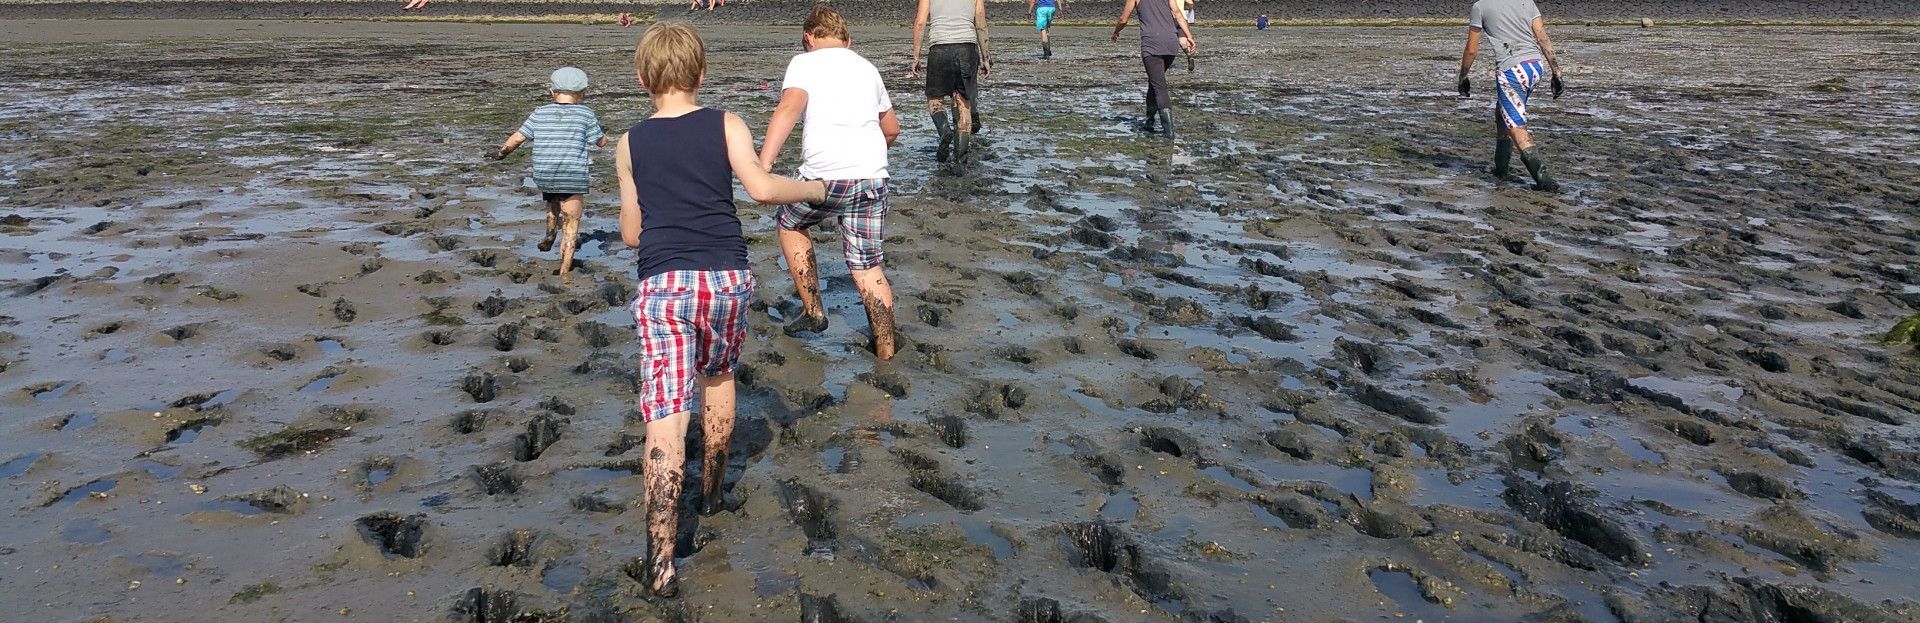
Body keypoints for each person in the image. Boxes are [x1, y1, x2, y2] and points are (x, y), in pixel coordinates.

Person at [613, 21, 828, 597]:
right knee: (719, 374)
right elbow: (758, 188)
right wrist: (812, 190)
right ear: (701, 74)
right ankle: (711, 490)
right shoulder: (727, 123)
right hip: (725, 278)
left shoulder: (629, 143)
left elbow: (632, 234)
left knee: (663, 414)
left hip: (663, 283)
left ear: (642, 80)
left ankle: (659, 561)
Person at [758, 5, 905, 360]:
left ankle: (813, 309)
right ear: (847, 40)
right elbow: (892, 129)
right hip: (871, 177)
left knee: (789, 222)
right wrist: (866, 156)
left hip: (824, 177)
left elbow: (789, 108)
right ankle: (886, 351)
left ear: (808, 37)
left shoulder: (804, 62)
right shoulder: (867, 68)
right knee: (868, 268)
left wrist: (764, 163)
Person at [489, 67, 607, 275]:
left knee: (552, 200)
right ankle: (564, 270)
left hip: (545, 173)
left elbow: (518, 137)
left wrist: (502, 153)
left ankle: (550, 234)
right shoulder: (586, 113)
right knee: (571, 225)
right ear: (583, 93)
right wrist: (602, 131)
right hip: (572, 175)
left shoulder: (539, 112)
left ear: (551, 92)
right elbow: (600, 143)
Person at [1457, 0, 1565, 191]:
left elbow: (1471, 50)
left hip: (1512, 70)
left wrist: (1463, 77)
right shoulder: (1526, 1)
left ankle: (1546, 181)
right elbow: (1542, 36)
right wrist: (1556, 72)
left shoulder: (1480, 7)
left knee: (1516, 126)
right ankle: (1501, 170)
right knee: (1502, 113)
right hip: (1535, 66)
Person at [910, 0, 989, 163]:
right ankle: (960, 159)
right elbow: (980, 22)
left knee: (935, 100)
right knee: (963, 103)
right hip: (966, 49)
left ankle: (944, 129)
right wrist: (986, 57)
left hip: (939, 48)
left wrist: (916, 57)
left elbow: (920, 23)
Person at [1111, 0, 1195, 138]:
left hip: (1152, 46)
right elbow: (1178, 13)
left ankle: (1169, 133)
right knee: (1155, 82)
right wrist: (1189, 36)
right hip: (1171, 45)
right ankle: (1149, 122)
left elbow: (1124, 19)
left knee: (1159, 87)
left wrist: (1115, 32)